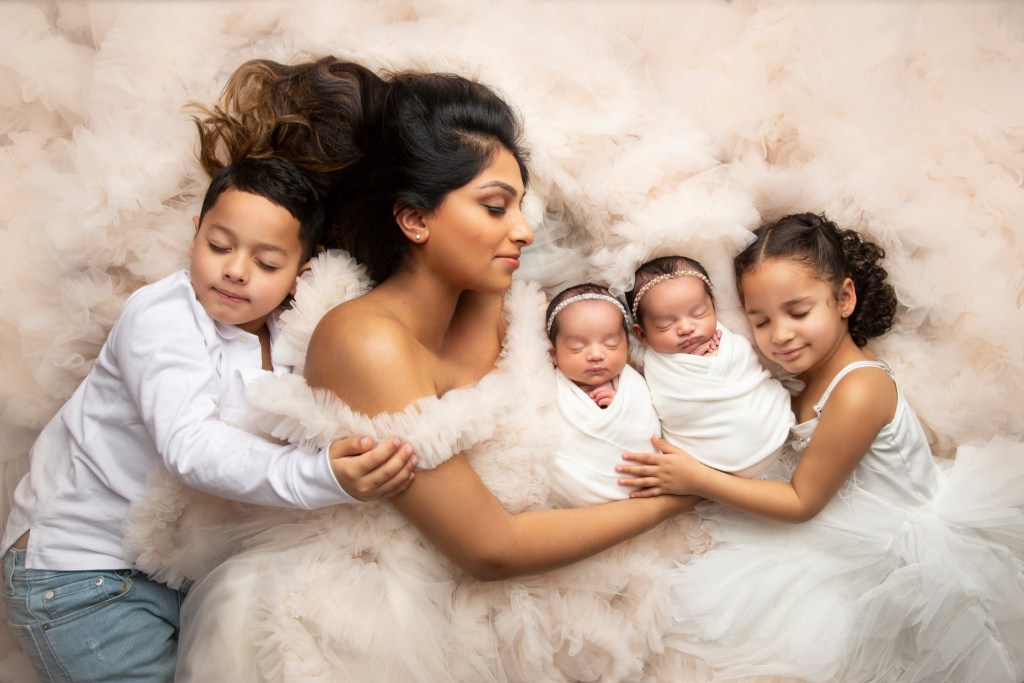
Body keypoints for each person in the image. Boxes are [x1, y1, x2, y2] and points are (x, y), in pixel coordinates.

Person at [124, 57, 701, 682]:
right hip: (341, 630)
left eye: (519, 207)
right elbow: (489, 548)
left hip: (470, 617)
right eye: (495, 207)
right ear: (415, 219)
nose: (524, 231)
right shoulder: (363, 341)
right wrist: (681, 494)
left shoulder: (493, 301)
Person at [0, 157, 416, 682]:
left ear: (300, 273)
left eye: (266, 263)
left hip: (171, 575)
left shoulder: (285, 341)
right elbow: (191, 448)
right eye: (219, 246)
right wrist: (322, 476)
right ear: (195, 235)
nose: (236, 270)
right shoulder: (163, 315)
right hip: (80, 576)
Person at [617, 213, 1024, 682]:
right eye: (761, 320)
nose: (781, 334)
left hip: (905, 551)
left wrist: (698, 478)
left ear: (844, 298)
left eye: (798, 312)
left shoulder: (859, 390)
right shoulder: (802, 377)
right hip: (846, 534)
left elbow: (802, 500)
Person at [626, 254, 794, 478]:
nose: (687, 327)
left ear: (713, 308)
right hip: (714, 468)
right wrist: (699, 362)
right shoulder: (654, 366)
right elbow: (665, 406)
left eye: (698, 313)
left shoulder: (728, 337)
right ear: (642, 334)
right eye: (666, 324)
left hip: (778, 431)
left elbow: (747, 366)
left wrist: (717, 354)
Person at [544, 283, 661, 506]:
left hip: (642, 492)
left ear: (627, 345)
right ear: (554, 354)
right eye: (577, 347)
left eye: (610, 344)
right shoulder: (549, 388)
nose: (596, 355)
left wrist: (619, 406)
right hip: (577, 497)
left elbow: (649, 425)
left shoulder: (635, 384)